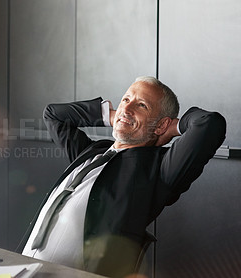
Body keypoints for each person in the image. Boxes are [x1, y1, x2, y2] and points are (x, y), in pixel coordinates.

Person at [18, 76, 226, 277]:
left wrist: (171, 126)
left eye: (142, 105)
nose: (126, 107)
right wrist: (115, 116)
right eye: (126, 99)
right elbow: (53, 114)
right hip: (23, 267)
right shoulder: (90, 152)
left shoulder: (159, 171)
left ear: (161, 125)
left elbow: (210, 123)